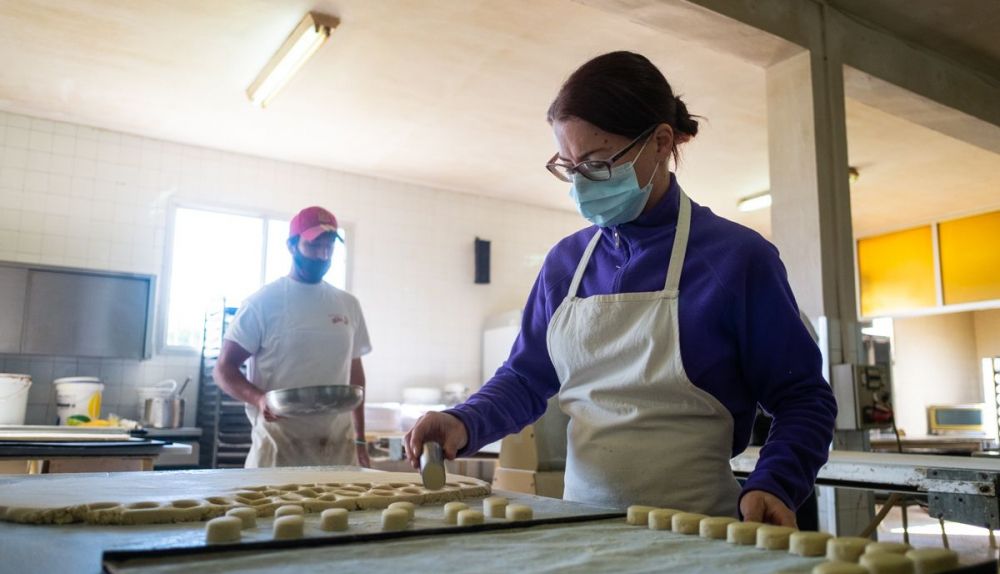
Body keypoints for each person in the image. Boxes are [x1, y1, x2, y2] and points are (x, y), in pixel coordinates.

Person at [406, 51, 836, 526]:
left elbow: (803, 399)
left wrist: (776, 481)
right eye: (569, 168)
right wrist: (464, 421)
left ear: (660, 142)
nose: (581, 185)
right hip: (581, 528)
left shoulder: (736, 259)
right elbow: (526, 378)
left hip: (698, 534)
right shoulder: (564, 265)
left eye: (596, 164)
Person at [215, 206, 372, 468]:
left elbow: (355, 375)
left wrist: (360, 440)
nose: (322, 255)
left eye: (329, 246)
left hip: (337, 447)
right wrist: (259, 398)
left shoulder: (348, 305)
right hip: (280, 447)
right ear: (291, 246)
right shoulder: (263, 302)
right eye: (314, 246)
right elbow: (223, 369)